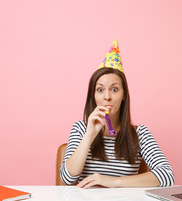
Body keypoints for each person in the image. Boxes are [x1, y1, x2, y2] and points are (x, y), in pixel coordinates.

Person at [60, 39, 174, 188]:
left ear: (124, 95)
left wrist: (113, 182)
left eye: (114, 89)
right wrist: (89, 135)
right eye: (100, 90)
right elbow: (67, 178)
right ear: (93, 96)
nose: (107, 96)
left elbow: (167, 175)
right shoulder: (81, 129)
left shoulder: (140, 134)